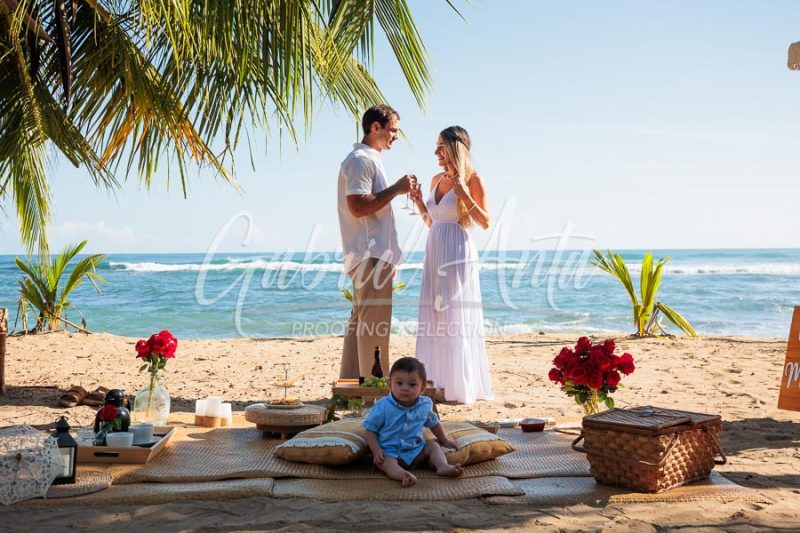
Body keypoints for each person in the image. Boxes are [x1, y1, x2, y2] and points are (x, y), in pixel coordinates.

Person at [409, 126, 495, 404]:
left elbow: (484, 222)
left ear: (456, 147)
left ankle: (459, 386)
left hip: (458, 249)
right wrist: (420, 202)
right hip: (435, 247)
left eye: (441, 146)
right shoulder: (436, 178)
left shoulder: (473, 178)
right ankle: (437, 382)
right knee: (434, 313)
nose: (436, 152)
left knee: (454, 314)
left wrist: (465, 194)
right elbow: (433, 222)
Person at [337, 104, 417, 379]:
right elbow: (357, 207)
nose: (396, 135)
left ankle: (350, 386)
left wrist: (389, 256)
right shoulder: (362, 160)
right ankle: (372, 388)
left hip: (369, 254)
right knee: (374, 325)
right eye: (393, 130)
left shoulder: (366, 158)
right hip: (369, 254)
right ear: (375, 128)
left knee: (361, 323)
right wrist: (397, 189)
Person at [362, 357, 464, 487]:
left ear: (422, 388)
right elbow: (370, 430)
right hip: (391, 452)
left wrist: (444, 440)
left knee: (432, 446)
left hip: (416, 450)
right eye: (399, 383)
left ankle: (443, 466)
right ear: (390, 384)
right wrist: (376, 450)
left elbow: (434, 423)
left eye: (412, 384)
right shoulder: (383, 406)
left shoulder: (425, 404)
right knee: (384, 462)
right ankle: (402, 474)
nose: (405, 388)